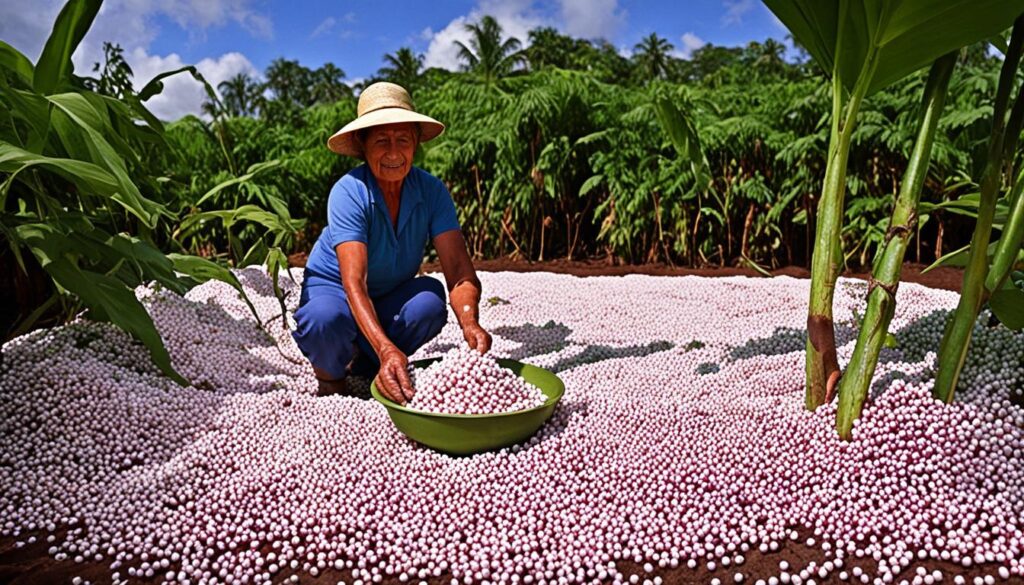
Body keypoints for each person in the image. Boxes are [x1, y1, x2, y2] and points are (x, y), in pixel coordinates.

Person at [292, 82, 492, 404]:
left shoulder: (431, 191)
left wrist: (470, 324)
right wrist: (387, 348)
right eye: (382, 141)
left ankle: (369, 364)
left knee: (428, 302)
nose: (394, 153)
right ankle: (331, 377)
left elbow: (459, 273)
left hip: (387, 293)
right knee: (325, 320)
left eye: (403, 140)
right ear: (362, 144)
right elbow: (354, 282)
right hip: (337, 290)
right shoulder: (349, 191)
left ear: (415, 143)